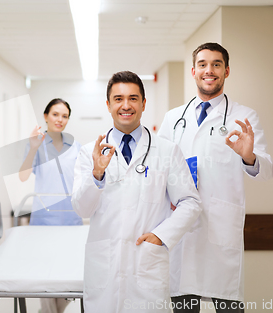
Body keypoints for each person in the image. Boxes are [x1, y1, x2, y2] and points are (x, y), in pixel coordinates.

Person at [71, 71, 202, 313]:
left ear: (143, 104)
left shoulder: (166, 150)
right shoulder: (89, 152)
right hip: (105, 267)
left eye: (133, 98)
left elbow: (190, 202)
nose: (126, 105)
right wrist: (97, 175)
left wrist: (161, 236)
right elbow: (82, 209)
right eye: (118, 98)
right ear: (108, 104)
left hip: (147, 264)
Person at [158, 42, 273, 312]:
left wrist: (249, 157)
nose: (209, 70)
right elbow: (157, 169)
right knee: (183, 306)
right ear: (193, 71)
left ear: (227, 71)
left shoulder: (244, 117)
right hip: (182, 229)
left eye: (216, 64)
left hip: (221, 231)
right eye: (203, 64)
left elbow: (266, 171)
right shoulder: (174, 118)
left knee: (228, 306)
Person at [18, 98, 82, 313]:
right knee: (45, 274)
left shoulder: (76, 147)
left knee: (67, 274)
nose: (60, 119)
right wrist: (33, 148)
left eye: (64, 116)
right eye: (55, 114)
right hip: (43, 220)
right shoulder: (35, 143)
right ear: (46, 116)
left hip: (71, 218)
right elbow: (23, 175)